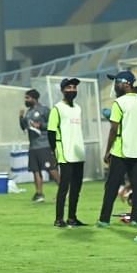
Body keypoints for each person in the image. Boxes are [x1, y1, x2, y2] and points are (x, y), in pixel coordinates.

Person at [97, 70, 137, 227]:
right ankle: (135, 219)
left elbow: (114, 129)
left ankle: (104, 219)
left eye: (117, 82)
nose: (115, 86)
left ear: (126, 84)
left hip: (121, 151)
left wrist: (108, 150)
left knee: (112, 186)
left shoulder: (119, 103)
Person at [47, 77, 87, 227]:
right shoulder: (57, 109)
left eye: (74, 88)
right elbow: (51, 132)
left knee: (76, 188)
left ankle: (72, 217)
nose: (72, 90)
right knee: (64, 187)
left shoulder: (78, 108)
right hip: (65, 153)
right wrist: (54, 151)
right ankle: (59, 219)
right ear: (63, 90)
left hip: (78, 153)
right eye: (69, 88)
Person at [20, 88, 60, 203]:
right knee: (35, 170)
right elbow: (24, 128)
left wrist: (41, 125)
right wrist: (21, 118)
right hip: (33, 146)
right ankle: (39, 193)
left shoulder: (44, 110)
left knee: (51, 168)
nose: (25, 100)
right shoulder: (28, 112)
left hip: (44, 144)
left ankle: (63, 189)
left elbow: (53, 124)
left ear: (34, 98)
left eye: (27, 98)